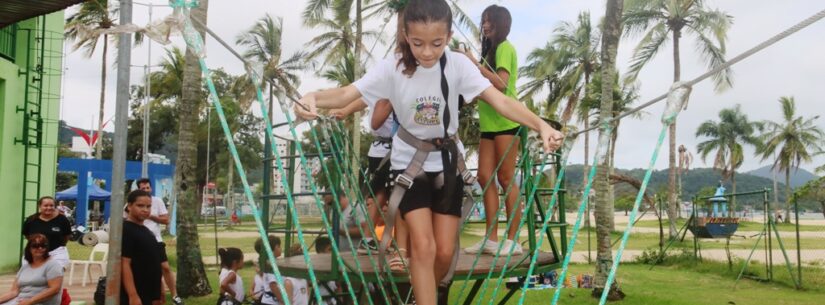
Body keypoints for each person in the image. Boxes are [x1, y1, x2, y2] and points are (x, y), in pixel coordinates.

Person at [293, 1, 564, 304]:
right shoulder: (393, 67)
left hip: (447, 163)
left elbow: (501, 101)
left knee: (444, 252)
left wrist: (540, 125)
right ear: (406, 35)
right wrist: (312, 96)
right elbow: (347, 93)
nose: (426, 52)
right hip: (409, 165)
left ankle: (422, 295)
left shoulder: (458, 65)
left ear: (449, 36)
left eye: (436, 43)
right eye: (418, 43)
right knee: (423, 247)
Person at [462, 4, 524, 255]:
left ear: (501, 24)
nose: (485, 25)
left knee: (506, 178)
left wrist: (474, 64)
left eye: (490, 22)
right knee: (485, 177)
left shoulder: (506, 48)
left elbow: (500, 83)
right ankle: (491, 238)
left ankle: (513, 240)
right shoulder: (489, 51)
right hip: (488, 124)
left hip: (507, 122)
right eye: (484, 21)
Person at [135, 178, 184, 305]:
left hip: (156, 240)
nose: (146, 190)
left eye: (147, 188)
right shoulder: (133, 203)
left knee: (165, 267)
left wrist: (150, 215)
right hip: (139, 242)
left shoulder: (157, 201)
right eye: (142, 188)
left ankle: (175, 295)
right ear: (138, 189)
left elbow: (166, 220)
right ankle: (154, 296)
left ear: (151, 188)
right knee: (149, 271)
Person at [121, 190, 162, 305]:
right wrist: (133, 295)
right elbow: (124, 263)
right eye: (140, 205)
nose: (145, 209)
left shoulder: (147, 231)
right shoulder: (127, 230)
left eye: (148, 206)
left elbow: (154, 263)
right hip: (138, 292)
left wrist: (160, 290)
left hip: (151, 293)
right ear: (129, 206)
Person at [0, 234, 64, 305]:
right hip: (20, 301)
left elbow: (54, 289)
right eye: (35, 246)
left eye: (43, 245)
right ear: (29, 248)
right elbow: (14, 292)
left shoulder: (52, 265)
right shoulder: (25, 267)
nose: (40, 248)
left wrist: (30, 301)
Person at [22, 197, 72, 268]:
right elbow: (27, 235)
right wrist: (38, 244)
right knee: (31, 277)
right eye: (45, 205)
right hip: (34, 253)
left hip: (56, 252)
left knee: (55, 275)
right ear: (39, 206)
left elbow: (66, 236)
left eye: (51, 205)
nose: (49, 208)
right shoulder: (31, 220)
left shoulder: (62, 220)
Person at [313, 237, 338, 305]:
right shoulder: (316, 265)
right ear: (321, 252)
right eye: (329, 249)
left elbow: (336, 286)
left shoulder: (332, 264)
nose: (332, 252)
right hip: (321, 300)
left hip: (332, 300)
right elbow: (311, 281)